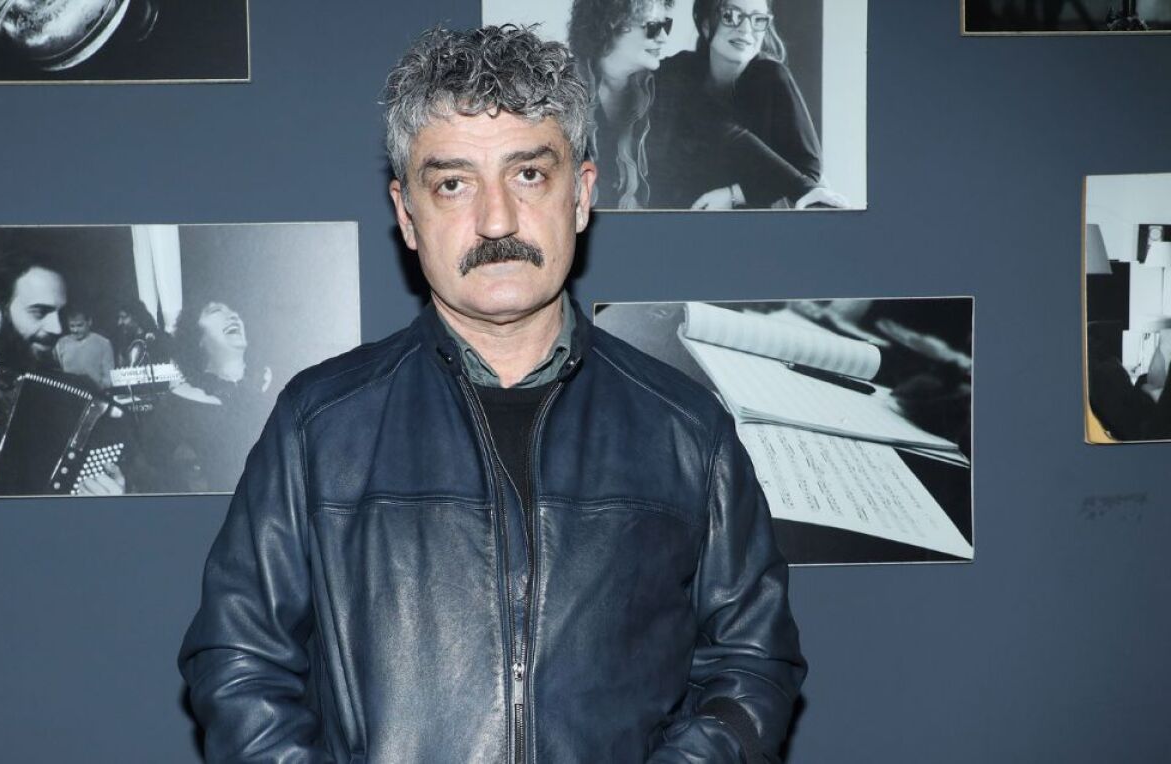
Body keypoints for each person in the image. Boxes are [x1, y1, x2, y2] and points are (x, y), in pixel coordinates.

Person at [179, 24, 803, 763]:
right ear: (407, 216)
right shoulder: (319, 424)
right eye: (453, 184)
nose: (497, 220)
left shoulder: (688, 431)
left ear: (582, 195)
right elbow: (239, 662)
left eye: (529, 174)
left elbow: (751, 666)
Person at [648, 0, 846, 210]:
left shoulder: (772, 77)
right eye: (731, 16)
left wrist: (735, 194)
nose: (745, 29)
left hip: (760, 215)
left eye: (758, 19)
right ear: (705, 24)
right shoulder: (680, 71)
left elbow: (809, 168)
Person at [0, 250, 125, 496]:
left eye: (60, 314)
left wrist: (107, 498)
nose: (57, 328)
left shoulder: (84, 398)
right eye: (39, 312)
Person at [142, 297, 273, 493]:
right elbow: (155, 478)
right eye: (216, 311)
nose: (233, 315)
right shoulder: (175, 407)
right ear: (198, 339)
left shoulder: (273, 390)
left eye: (233, 311)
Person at [567, 0, 674, 209]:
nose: (664, 37)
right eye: (653, 27)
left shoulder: (668, 90)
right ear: (613, 23)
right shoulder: (556, 90)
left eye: (666, 25)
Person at [54, 308, 115, 389]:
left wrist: (98, 390)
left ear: (89, 322)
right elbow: (58, 374)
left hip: (95, 393)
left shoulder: (104, 343)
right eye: (72, 326)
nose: (75, 330)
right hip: (69, 393)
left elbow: (109, 378)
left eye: (80, 325)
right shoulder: (61, 343)